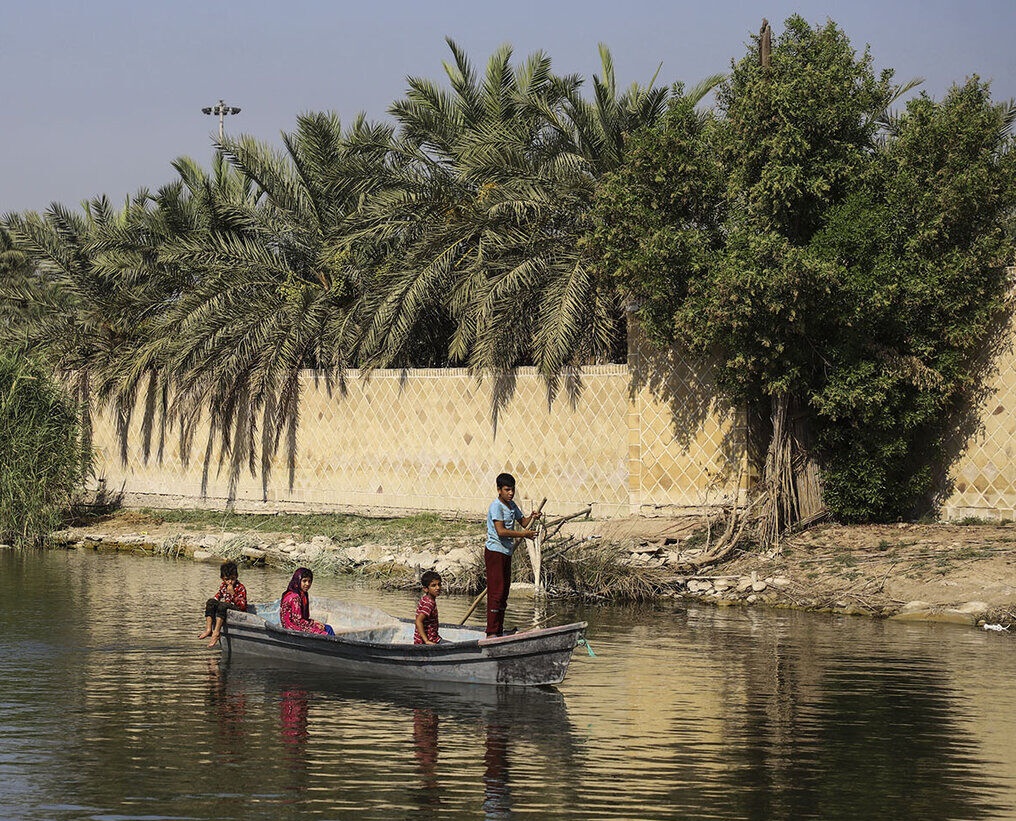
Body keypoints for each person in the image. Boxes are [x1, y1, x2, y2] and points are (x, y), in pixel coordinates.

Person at [485, 472, 541, 637]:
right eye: (507, 490)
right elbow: (501, 531)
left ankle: (498, 630)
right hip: (495, 551)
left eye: (512, 490)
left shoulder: (512, 506)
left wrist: (533, 517)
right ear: (499, 490)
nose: (511, 493)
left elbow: (523, 522)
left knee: (503, 592)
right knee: (496, 591)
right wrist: (524, 535)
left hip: (506, 552)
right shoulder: (496, 506)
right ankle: (491, 632)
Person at [199, 561, 248, 648]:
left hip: (237, 609)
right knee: (210, 602)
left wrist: (233, 594)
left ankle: (216, 632)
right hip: (225, 607)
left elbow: (243, 606)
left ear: (236, 577)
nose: (230, 582)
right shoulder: (223, 586)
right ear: (222, 579)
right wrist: (211, 605)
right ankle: (209, 629)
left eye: (232, 579)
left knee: (223, 605)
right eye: (227, 579)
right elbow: (218, 596)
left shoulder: (240, 587)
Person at [280, 567, 334, 635]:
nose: (307, 584)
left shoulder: (302, 594)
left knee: (328, 628)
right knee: (325, 633)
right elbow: (297, 621)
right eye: (304, 581)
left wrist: (314, 622)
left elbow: (303, 618)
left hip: (297, 625)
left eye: (309, 581)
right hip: (292, 628)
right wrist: (313, 623)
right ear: (298, 581)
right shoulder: (294, 597)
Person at [414, 570, 443, 645]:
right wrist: (426, 641)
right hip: (428, 641)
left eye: (439, 584)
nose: (438, 588)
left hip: (431, 637)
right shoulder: (429, 603)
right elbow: (418, 621)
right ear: (426, 589)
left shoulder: (426, 598)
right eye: (433, 585)